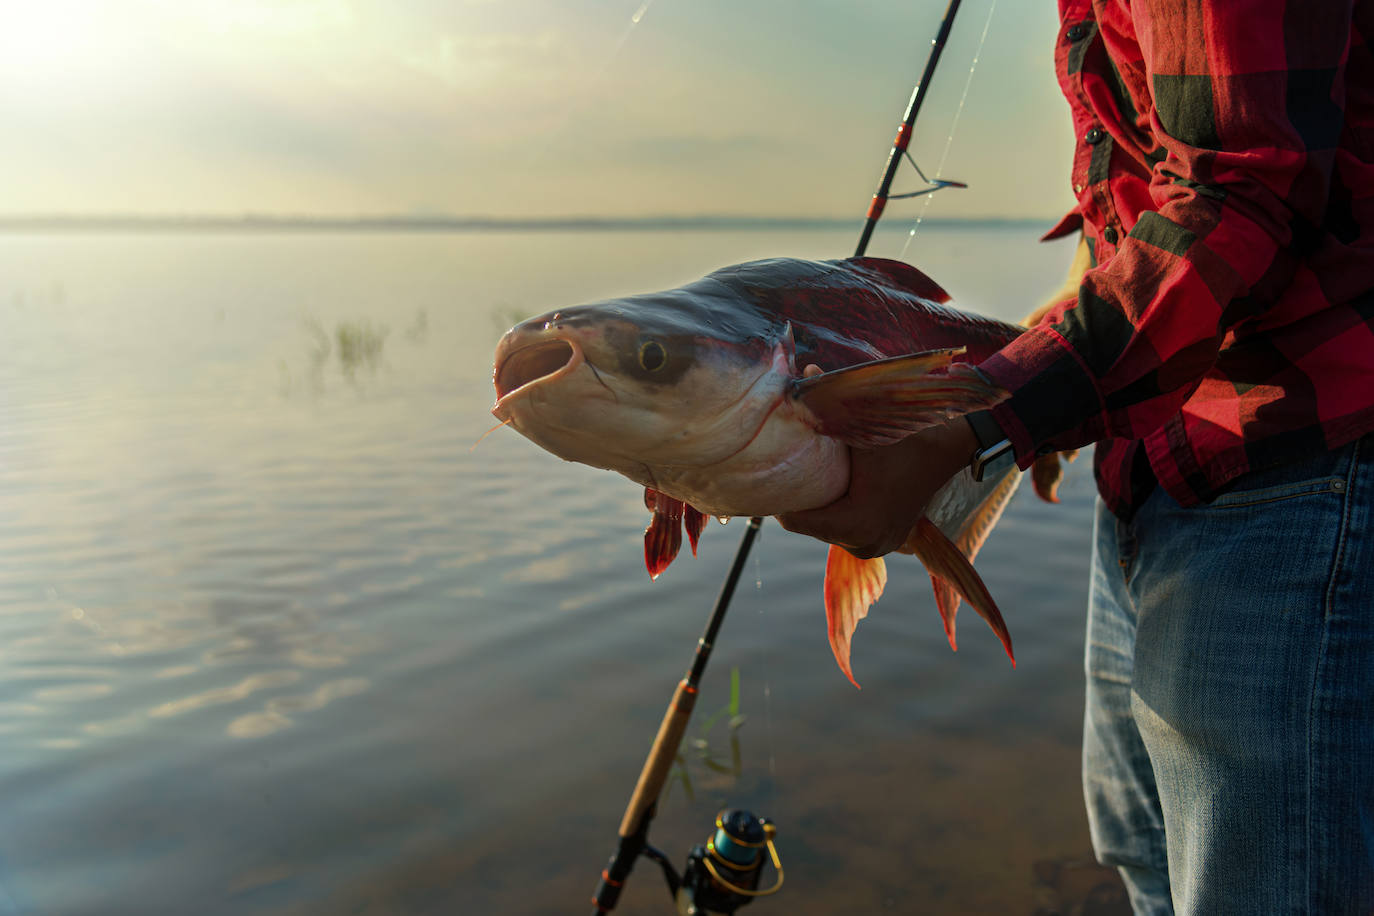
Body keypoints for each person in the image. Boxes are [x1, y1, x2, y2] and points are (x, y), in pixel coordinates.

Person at [779, 2, 1374, 913]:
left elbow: (1244, 196)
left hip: (1298, 469)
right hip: (1155, 462)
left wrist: (981, 423)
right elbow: (1164, 177)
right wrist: (1039, 361)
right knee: (1145, 856)